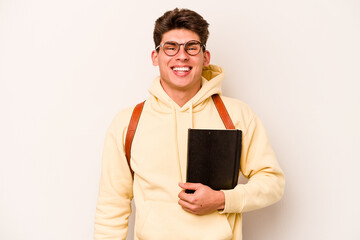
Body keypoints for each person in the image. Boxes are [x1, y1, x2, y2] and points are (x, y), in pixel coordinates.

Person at [94, 8, 285, 240]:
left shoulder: (236, 115)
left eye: (192, 47)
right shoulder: (128, 123)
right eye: (171, 47)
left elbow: (272, 182)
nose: (182, 56)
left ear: (205, 57)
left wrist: (223, 200)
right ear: (155, 57)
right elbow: (112, 206)